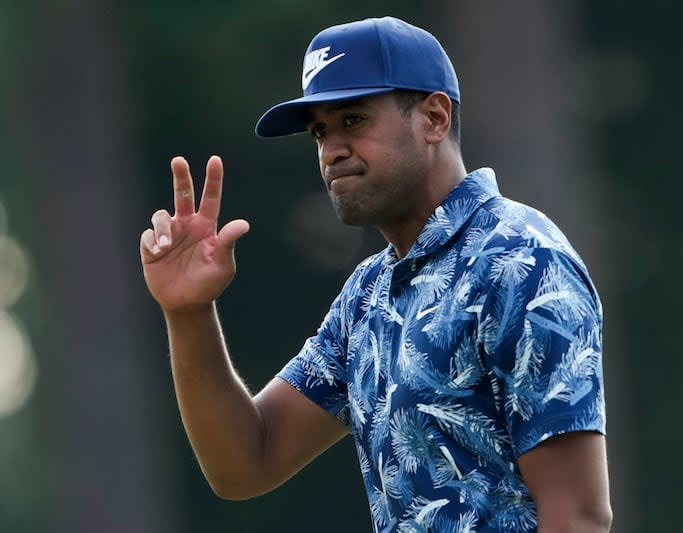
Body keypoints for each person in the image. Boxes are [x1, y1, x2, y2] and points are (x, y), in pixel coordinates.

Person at [140, 16, 612, 533]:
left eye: (354, 120)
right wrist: (188, 312)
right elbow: (245, 462)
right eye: (320, 130)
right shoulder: (368, 294)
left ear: (434, 117)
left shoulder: (521, 260)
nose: (331, 150)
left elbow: (579, 517)